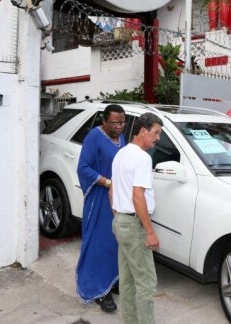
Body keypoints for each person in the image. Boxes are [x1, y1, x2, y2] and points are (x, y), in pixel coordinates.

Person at [111, 112, 163, 324]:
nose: (158, 137)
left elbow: (112, 189)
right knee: (146, 283)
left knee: (128, 280)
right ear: (143, 131)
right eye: (156, 132)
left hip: (121, 221)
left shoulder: (121, 153)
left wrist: (119, 217)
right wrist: (149, 231)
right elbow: (137, 195)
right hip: (133, 225)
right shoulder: (142, 158)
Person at [76, 104, 126, 312]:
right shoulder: (93, 137)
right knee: (100, 244)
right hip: (99, 198)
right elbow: (83, 168)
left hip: (117, 198)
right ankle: (100, 291)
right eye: (115, 122)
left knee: (116, 241)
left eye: (122, 122)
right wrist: (107, 183)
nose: (119, 126)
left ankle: (111, 280)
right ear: (103, 121)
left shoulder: (120, 137)